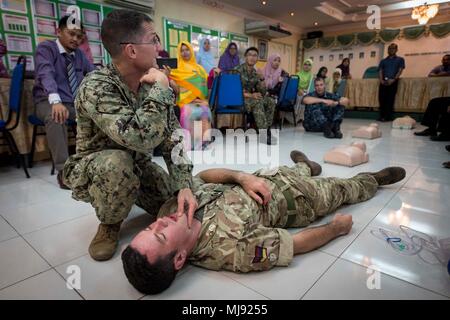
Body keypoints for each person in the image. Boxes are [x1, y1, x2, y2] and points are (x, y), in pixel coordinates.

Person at [121, 150, 406, 294]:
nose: (159, 223)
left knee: (292, 168)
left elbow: (205, 177)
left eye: (150, 227)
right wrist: (337, 228)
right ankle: (374, 179)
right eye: (160, 235)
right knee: (345, 189)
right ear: (180, 258)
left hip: (262, 176)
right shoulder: (230, 249)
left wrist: (240, 177)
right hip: (301, 198)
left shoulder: (170, 209)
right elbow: (295, 244)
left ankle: (306, 166)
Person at [62, 10, 197, 262]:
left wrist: (184, 185)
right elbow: (138, 137)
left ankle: (129, 194)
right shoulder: (97, 86)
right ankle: (109, 222)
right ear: (132, 51)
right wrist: (162, 89)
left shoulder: (150, 83)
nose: (159, 47)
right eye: (154, 39)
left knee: (176, 203)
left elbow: (172, 139)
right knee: (117, 164)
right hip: (100, 165)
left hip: (138, 164)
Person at [33, 15, 95, 189]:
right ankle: (64, 171)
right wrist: (55, 100)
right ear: (58, 31)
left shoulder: (79, 55)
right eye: (71, 34)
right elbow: (45, 73)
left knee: (97, 117)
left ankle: (93, 163)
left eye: (79, 36)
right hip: (47, 100)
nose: (76, 39)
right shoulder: (46, 48)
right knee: (56, 116)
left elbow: (93, 74)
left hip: (72, 103)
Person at [170, 41, 212, 150]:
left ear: (191, 51)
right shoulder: (175, 69)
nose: (185, 52)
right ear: (179, 53)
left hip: (198, 100)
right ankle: (190, 143)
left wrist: (198, 98)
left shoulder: (200, 69)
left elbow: (203, 85)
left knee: (205, 110)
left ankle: (203, 141)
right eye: (182, 50)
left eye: (187, 49)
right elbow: (172, 83)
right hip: (184, 101)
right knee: (190, 112)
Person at [235, 47, 277, 144]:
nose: (252, 57)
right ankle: (264, 133)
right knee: (257, 102)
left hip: (249, 99)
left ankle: (266, 129)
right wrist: (251, 95)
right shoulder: (237, 70)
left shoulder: (255, 72)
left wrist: (262, 78)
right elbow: (233, 91)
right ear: (245, 57)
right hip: (239, 100)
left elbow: (262, 92)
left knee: (270, 101)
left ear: (257, 58)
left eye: (254, 55)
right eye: (250, 55)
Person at [378, 43, 405, 122]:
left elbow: (400, 70)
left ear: (396, 50)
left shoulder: (400, 59)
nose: (391, 50)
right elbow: (380, 70)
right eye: (389, 48)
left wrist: (393, 79)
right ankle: (382, 116)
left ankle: (388, 116)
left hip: (393, 81)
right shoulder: (383, 61)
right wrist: (381, 80)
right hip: (383, 81)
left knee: (390, 99)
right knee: (382, 99)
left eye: (393, 48)